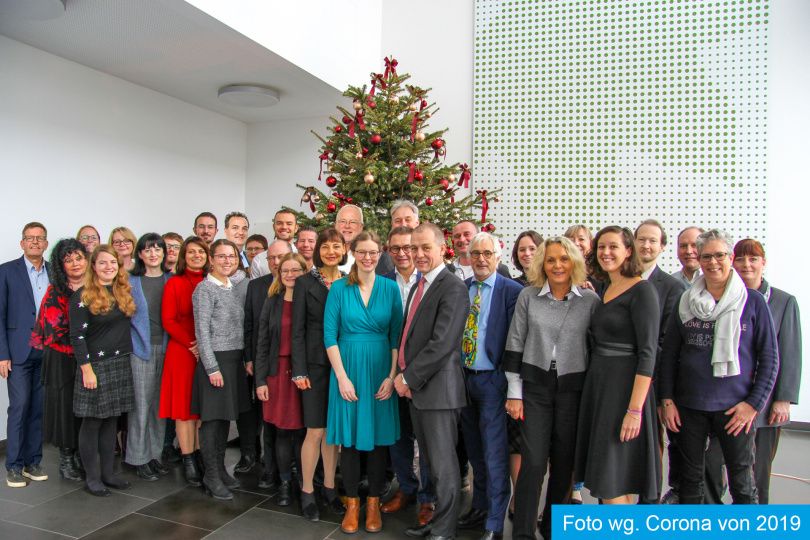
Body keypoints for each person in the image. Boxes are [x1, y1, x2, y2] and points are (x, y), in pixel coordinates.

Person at [660, 229, 778, 504]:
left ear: (731, 257)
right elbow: (669, 356)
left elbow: (770, 358)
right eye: (706, 257)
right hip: (689, 408)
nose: (713, 262)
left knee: (742, 483)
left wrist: (753, 405)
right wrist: (667, 400)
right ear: (699, 260)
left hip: (736, 409)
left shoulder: (754, 302)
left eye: (720, 255)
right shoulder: (685, 301)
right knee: (689, 482)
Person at [505, 237, 599, 540]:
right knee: (532, 462)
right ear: (541, 264)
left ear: (574, 262)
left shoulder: (590, 301)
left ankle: (553, 528)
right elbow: (515, 343)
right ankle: (523, 532)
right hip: (534, 388)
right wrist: (514, 392)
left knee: (564, 462)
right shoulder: (528, 297)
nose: (557, 265)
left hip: (573, 390)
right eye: (550, 260)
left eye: (564, 259)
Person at [393, 223, 469, 540]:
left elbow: (443, 343)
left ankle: (445, 530)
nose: (419, 254)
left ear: (441, 248)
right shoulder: (419, 285)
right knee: (430, 464)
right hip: (419, 390)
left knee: (443, 466)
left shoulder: (452, 286)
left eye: (426, 247)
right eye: (414, 248)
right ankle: (437, 522)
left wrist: (407, 376)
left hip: (438, 391)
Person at [575, 226, 661, 504]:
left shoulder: (643, 290)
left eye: (613, 246)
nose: (606, 252)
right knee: (610, 482)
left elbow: (648, 354)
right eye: (601, 246)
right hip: (600, 388)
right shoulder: (606, 288)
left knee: (613, 482)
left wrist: (634, 410)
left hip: (624, 392)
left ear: (628, 251)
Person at [324, 230, 403, 534]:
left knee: (379, 441)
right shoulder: (339, 289)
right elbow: (329, 335)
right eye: (362, 252)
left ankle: (373, 503)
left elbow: (396, 335)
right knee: (351, 441)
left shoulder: (390, 287)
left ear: (380, 254)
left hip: (381, 369)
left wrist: (391, 376)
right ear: (352, 253)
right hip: (347, 369)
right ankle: (352, 503)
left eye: (373, 252)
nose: (368, 258)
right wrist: (342, 377)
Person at [457, 232, 523, 540]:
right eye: (475, 253)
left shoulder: (512, 291)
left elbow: (516, 342)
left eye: (487, 253)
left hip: (493, 382)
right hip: (463, 381)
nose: (481, 258)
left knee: (495, 454)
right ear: (468, 257)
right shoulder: (462, 289)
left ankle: (495, 524)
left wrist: (510, 386)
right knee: (475, 450)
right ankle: (480, 508)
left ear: (498, 256)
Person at [732, 239, 802, 504]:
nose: (746, 265)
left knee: (758, 471)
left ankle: (759, 518)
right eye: (740, 259)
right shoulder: (724, 298)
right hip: (731, 397)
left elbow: (791, 352)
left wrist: (783, 398)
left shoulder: (784, 302)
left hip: (768, 400)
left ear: (763, 263)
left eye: (753, 259)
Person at [69, 245, 137, 496]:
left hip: (119, 362)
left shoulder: (122, 291)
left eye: (113, 263)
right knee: (92, 422)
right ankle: (92, 477)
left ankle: (108, 474)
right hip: (95, 366)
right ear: (93, 266)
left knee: (111, 421)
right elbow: (77, 336)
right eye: (103, 263)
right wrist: (86, 370)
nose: (109, 267)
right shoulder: (82, 295)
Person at [380, 226, 436, 527]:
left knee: (426, 440)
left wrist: (414, 374)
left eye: (408, 247)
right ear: (388, 251)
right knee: (398, 435)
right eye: (396, 248)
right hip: (392, 372)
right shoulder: (383, 282)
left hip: (425, 374)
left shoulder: (432, 280)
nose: (403, 253)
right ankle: (407, 488)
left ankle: (428, 498)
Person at [292, 228, 348, 521]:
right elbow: (297, 330)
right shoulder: (304, 283)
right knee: (315, 431)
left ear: (343, 249)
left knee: (333, 433)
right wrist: (298, 369)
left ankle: (329, 487)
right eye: (325, 246)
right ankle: (306, 491)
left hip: (344, 368)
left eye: (336, 246)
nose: (330, 251)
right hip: (314, 367)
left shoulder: (350, 282)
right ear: (318, 251)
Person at [191, 239, 251, 500]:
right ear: (211, 259)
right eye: (222, 257)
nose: (228, 261)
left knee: (225, 419)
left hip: (233, 361)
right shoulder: (205, 289)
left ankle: (219, 469)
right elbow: (201, 332)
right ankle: (211, 475)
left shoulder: (231, 287)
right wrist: (211, 367)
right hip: (216, 362)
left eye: (232, 257)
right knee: (212, 422)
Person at [634, 219, 687, 503]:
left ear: (662, 247)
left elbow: (666, 342)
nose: (646, 245)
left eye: (653, 241)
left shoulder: (672, 287)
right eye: (641, 239)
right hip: (617, 379)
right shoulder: (616, 279)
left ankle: (648, 504)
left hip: (651, 382)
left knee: (651, 448)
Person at [30, 238, 86, 481]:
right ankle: (66, 460)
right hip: (63, 358)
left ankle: (82, 456)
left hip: (88, 357)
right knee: (65, 409)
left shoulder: (97, 286)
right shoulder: (56, 290)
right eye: (68, 260)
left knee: (85, 411)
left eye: (78, 258)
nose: (74, 263)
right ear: (60, 265)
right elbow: (55, 330)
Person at [255, 253, 308, 505]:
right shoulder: (272, 302)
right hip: (276, 375)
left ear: (304, 272)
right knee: (282, 433)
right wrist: (260, 380)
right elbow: (262, 342)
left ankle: (303, 481)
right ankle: (285, 482)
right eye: (285, 270)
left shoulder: (311, 300)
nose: (289, 275)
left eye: (295, 270)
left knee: (301, 432)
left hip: (302, 375)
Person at [1, 222, 50, 488]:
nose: (34, 242)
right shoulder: (6, 271)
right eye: (29, 238)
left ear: (46, 243)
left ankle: (33, 462)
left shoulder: (55, 272)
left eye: (39, 238)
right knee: (19, 408)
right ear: (22, 243)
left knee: (38, 410)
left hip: (47, 353)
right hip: (18, 353)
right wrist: (2, 354)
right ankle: (14, 467)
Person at [159, 236, 209, 486]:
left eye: (201, 251)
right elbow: (168, 320)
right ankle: (188, 460)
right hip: (183, 351)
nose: (196, 255)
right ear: (183, 256)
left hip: (209, 352)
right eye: (191, 251)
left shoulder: (213, 281)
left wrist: (205, 346)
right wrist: (194, 344)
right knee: (184, 411)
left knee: (201, 410)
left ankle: (201, 457)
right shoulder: (175, 283)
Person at [242, 239, 293, 482]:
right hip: (265, 363)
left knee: (291, 422)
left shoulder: (301, 285)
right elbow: (250, 326)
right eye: (271, 258)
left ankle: (291, 469)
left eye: (280, 257)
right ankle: (270, 470)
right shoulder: (256, 287)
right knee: (268, 420)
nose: (275, 262)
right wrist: (250, 359)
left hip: (292, 365)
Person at [126, 233, 172, 482]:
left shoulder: (171, 280)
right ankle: (138, 457)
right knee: (140, 407)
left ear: (164, 253)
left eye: (158, 249)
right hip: (140, 350)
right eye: (147, 250)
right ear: (140, 254)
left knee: (158, 406)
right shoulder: (130, 280)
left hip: (167, 349)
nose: (153, 254)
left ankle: (155, 455)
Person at [506, 229, 543, 515]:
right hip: (518, 374)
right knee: (517, 442)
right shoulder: (512, 286)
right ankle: (519, 498)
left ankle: (548, 504)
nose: (527, 253)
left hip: (546, 376)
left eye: (532, 248)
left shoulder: (560, 285)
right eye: (522, 249)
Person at [375, 199, 421, 276]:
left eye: (408, 220)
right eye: (398, 221)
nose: (403, 224)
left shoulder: (428, 254)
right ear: (392, 224)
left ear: (417, 223)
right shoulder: (384, 261)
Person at [249, 209, 299, 278]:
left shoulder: (302, 257)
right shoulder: (259, 260)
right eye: (279, 223)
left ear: (296, 228)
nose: (284, 227)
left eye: (289, 224)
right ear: (273, 227)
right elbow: (255, 287)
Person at [336, 204, 364, 274]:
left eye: (353, 222)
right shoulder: (325, 254)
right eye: (342, 221)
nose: (347, 226)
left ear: (361, 227)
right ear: (336, 225)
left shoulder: (368, 257)